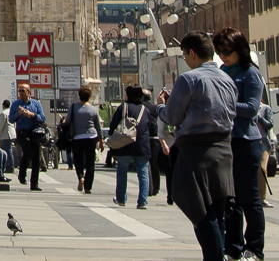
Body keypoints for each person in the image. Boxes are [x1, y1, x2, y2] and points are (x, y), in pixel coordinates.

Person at [158, 32, 236, 261]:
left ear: (192, 53)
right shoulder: (227, 79)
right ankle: (217, 255)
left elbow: (172, 117)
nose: (186, 60)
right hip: (223, 150)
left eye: (184, 56)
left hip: (196, 153)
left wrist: (162, 106)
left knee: (202, 215)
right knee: (218, 214)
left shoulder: (189, 79)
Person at [213, 27, 264, 260]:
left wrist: (225, 103)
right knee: (230, 200)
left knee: (249, 198)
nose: (223, 55)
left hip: (246, 141)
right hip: (226, 140)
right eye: (219, 51)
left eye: (227, 51)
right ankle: (232, 248)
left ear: (240, 49)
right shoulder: (223, 71)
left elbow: (252, 109)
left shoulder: (250, 73)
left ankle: (254, 248)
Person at [108, 84, 158, 210]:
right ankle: (142, 201)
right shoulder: (144, 110)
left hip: (125, 143)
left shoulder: (123, 107)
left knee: (122, 171)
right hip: (142, 145)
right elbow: (152, 128)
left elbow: (113, 124)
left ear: (128, 95)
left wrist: (111, 135)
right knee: (143, 173)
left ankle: (121, 199)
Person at [10, 82, 48, 190]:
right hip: (23, 131)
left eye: (23, 91)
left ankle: (34, 183)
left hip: (35, 131)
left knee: (36, 157)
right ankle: (22, 173)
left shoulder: (36, 104)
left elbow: (42, 118)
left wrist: (32, 115)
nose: (20, 93)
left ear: (29, 92)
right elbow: (11, 119)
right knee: (28, 151)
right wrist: (18, 114)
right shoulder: (16, 104)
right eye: (19, 91)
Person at [68, 85, 103, 193]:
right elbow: (98, 126)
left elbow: (68, 121)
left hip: (78, 137)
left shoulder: (73, 107)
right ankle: (88, 187)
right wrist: (101, 140)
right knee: (90, 162)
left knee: (77, 160)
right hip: (91, 137)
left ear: (79, 96)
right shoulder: (93, 109)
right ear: (89, 97)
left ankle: (80, 177)